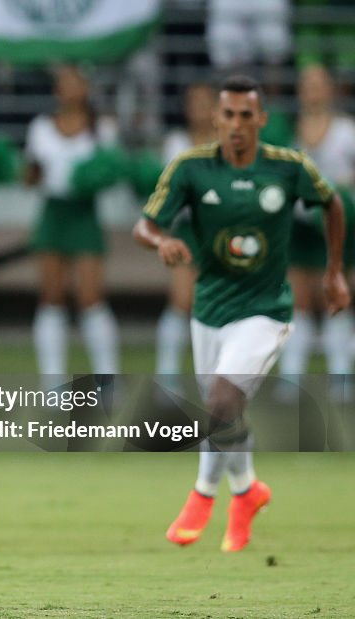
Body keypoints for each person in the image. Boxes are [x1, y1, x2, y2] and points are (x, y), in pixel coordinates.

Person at [133, 75, 350, 553]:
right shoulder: (191, 168)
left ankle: (203, 494)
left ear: (262, 120)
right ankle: (248, 491)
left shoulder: (288, 167)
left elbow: (332, 202)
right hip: (209, 309)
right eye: (228, 115)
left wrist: (335, 272)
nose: (236, 124)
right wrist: (162, 240)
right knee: (225, 415)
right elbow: (144, 226)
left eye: (246, 115)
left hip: (266, 310)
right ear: (217, 118)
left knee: (222, 403)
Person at [24, 65, 119, 388]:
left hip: (84, 214)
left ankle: (107, 378)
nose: (70, 90)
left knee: (91, 297)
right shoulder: (40, 127)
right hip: (52, 214)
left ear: (86, 89)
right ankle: (51, 384)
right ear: (56, 92)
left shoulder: (102, 128)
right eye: (64, 84)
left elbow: (109, 173)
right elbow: (31, 176)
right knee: (51, 297)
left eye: (76, 83)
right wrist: (19, 171)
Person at [276, 64, 355, 402]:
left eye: (319, 84)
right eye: (307, 84)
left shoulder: (347, 132)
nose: (313, 90)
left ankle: (340, 375)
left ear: (331, 89)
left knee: (334, 298)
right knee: (298, 299)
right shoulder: (288, 134)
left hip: (336, 226)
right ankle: (292, 376)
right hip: (298, 226)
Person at [155, 83, 217, 392]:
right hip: (187, 230)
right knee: (181, 300)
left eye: (205, 103)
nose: (199, 110)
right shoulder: (176, 142)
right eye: (194, 103)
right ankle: (167, 376)